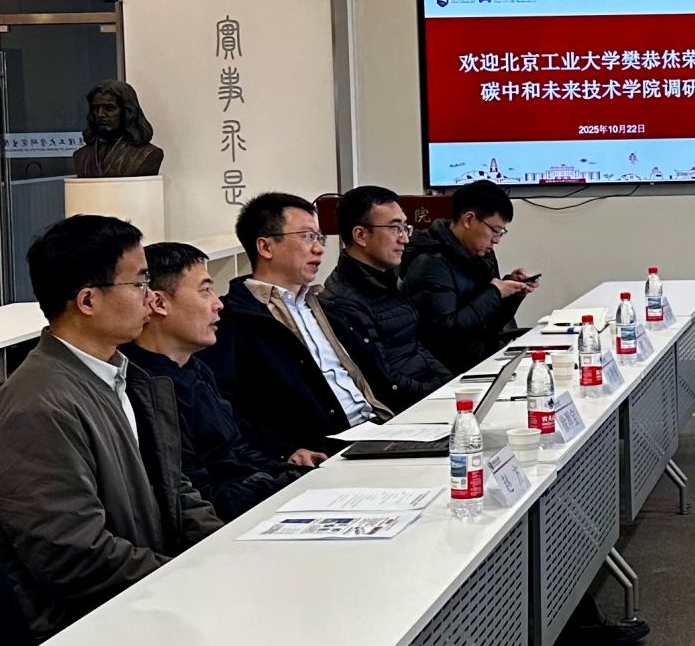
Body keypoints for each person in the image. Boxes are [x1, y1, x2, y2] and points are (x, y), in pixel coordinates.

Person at [0, 215, 218, 635]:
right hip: (93, 629)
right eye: (139, 283)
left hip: (148, 601)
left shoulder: (122, 377)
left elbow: (173, 488)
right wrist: (185, 579)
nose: (151, 297)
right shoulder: (36, 409)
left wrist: (223, 552)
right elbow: (74, 556)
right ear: (88, 301)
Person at [201, 192, 393, 461]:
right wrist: (282, 452)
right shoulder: (233, 322)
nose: (319, 249)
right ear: (266, 247)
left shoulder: (328, 308)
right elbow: (228, 412)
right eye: (307, 237)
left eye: (320, 238)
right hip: (328, 451)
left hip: (382, 427)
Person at [124, 242, 307, 520]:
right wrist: (282, 483)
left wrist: (292, 471)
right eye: (205, 290)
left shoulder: (195, 368)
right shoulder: (146, 390)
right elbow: (200, 495)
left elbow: (237, 450)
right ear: (158, 303)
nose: (218, 303)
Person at [323, 185, 454, 406]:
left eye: (405, 228)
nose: (405, 239)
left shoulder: (386, 280)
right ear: (360, 235)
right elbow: (384, 382)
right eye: (395, 228)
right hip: (404, 410)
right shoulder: (344, 300)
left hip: (427, 398)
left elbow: (415, 347)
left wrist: (451, 384)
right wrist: (440, 396)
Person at [401, 179, 536, 372]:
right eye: (495, 231)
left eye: (501, 233)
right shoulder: (431, 264)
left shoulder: (482, 255)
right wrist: (495, 292)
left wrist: (512, 291)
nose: (496, 241)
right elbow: (445, 336)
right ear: (469, 220)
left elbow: (491, 323)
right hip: (454, 372)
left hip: (487, 359)